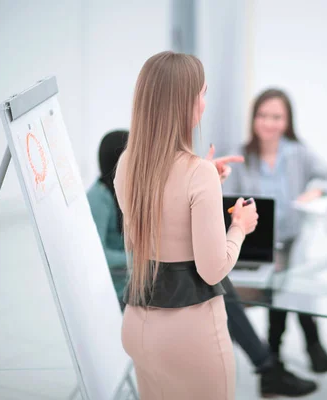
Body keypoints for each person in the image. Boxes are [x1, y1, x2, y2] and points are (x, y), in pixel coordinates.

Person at [88, 130, 317, 397]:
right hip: (131, 281)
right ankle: (266, 366)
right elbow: (99, 252)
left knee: (219, 287)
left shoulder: (132, 175)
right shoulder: (100, 197)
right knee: (217, 280)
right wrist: (238, 228)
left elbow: (166, 222)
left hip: (152, 282)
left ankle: (266, 365)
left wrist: (204, 184)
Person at [115, 51, 259, 400]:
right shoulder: (199, 173)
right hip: (190, 335)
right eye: (203, 93)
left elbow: (163, 214)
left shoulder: (127, 163)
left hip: (138, 326)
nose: (204, 103)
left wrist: (208, 180)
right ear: (185, 102)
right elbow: (213, 270)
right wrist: (240, 226)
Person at [222, 88, 327, 372]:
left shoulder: (299, 153)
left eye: (276, 116)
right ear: (254, 119)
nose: (269, 123)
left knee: (292, 281)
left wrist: (316, 189)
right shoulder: (242, 157)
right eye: (263, 115)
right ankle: (307, 347)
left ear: (287, 121)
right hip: (254, 246)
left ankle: (276, 355)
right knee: (285, 286)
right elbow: (227, 204)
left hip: (292, 242)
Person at [87, 130, 129, 309]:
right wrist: (138, 259)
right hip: (114, 292)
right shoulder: (98, 198)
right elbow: (96, 254)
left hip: (130, 282)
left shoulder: (123, 190)